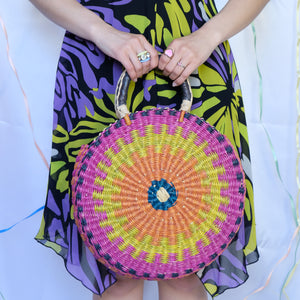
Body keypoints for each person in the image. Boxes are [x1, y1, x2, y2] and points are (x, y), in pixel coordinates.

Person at [29, 0, 269, 299]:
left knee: (188, 254)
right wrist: (101, 31)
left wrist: (208, 36)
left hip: (193, 53)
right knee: (114, 260)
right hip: (100, 56)